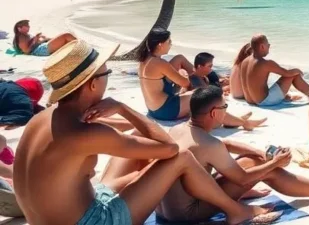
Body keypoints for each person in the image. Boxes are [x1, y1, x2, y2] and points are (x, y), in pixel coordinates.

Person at [13, 39, 280, 225]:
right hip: (91, 221)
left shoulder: (43, 118)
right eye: (106, 73)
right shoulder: (86, 133)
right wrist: (123, 108)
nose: (108, 77)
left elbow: (122, 142)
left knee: (138, 159)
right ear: (93, 84)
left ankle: (222, 197)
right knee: (181, 158)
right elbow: (170, 149)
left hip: (53, 216)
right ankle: (236, 212)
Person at [151, 86, 309, 222]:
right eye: (224, 108)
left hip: (168, 211)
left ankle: (258, 180)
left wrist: (261, 153)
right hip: (190, 214)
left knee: (253, 160)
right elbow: (243, 178)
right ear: (213, 113)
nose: (226, 112)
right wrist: (274, 163)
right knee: (266, 171)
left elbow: (225, 144)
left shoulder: (180, 130)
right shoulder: (209, 144)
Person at [136, 29, 261, 129]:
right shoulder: (160, 63)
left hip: (153, 109)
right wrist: (183, 75)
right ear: (160, 44)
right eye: (169, 42)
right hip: (166, 110)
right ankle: (243, 123)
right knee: (206, 98)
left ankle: (229, 115)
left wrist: (180, 76)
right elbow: (184, 82)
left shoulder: (145, 59)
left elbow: (171, 82)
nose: (171, 44)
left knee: (179, 58)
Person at [239, 35, 309, 107]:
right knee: (294, 75)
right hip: (264, 101)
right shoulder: (265, 63)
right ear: (262, 47)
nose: (269, 47)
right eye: (268, 45)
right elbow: (287, 73)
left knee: (291, 74)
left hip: (250, 100)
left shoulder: (245, 61)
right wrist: (297, 70)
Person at [11, 19, 77, 56]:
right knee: (66, 35)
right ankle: (81, 46)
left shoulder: (25, 35)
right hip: (39, 50)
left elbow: (33, 44)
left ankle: (80, 47)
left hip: (41, 47)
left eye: (28, 25)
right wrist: (35, 39)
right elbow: (27, 51)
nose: (29, 27)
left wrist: (42, 39)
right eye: (26, 26)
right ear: (19, 28)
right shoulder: (20, 37)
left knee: (66, 38)